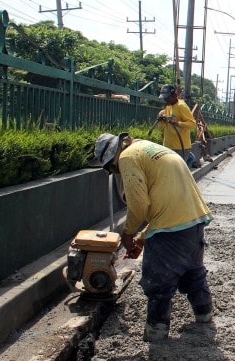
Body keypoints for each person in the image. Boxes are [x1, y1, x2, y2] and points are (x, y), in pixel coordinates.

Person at [93, 132, 214, 342]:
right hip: (194, 220)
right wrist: (142, 237)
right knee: (192, 273)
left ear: (112, 159)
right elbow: (164, 203)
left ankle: (156, 332)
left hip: (171, 227)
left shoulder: (127, 158)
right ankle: (204, 315)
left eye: (112, 169)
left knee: (159, 282)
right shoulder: (147, 148)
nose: (116, 171)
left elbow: (139, 205)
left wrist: (128, 234)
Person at [157, 84, 197, 167]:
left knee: (177, 173)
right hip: (168, 146)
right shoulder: (169, 106)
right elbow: (165, 125)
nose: (165, 99)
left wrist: (177, 123)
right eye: (164, 98)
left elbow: (192, 124)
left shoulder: (181, 106)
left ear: (174, 95)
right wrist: (162, 119)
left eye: (167, 97)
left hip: (179, 148)